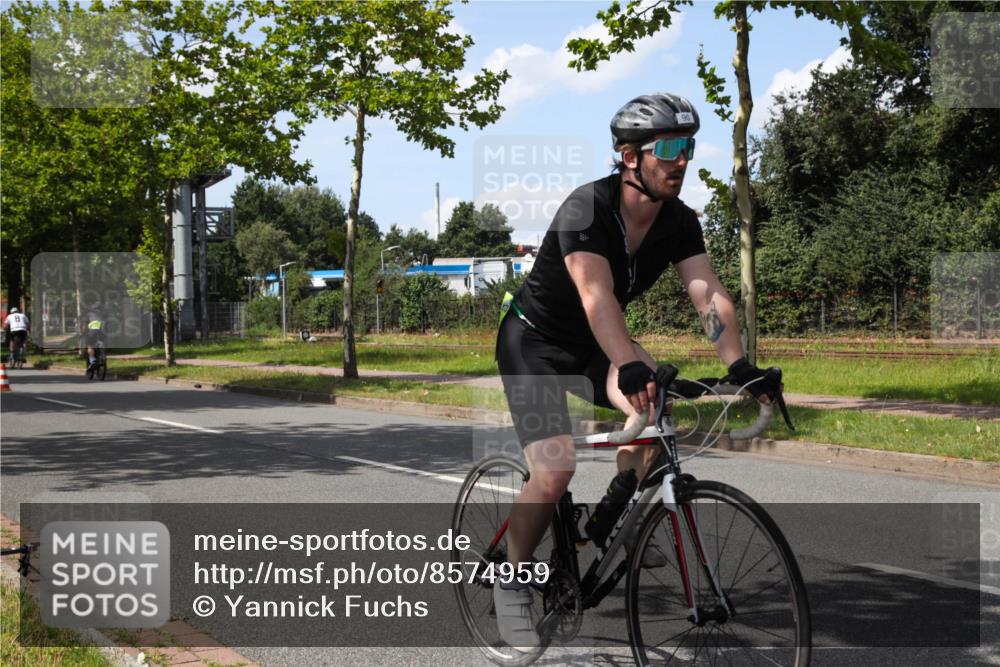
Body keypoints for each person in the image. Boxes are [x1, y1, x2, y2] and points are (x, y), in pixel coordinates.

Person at [492, 93, 781, 650]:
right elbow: (595, 295)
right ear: (629, 157)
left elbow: (706, 292)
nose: (682, 159)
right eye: (668, 148)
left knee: (659, 411)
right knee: (554, 469)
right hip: (534, 342)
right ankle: (512, 580)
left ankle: (610, 519)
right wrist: (627, 363)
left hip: (596, 343)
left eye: (688, 146)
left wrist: (739, 365)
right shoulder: (586, 209)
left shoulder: (679, 221)